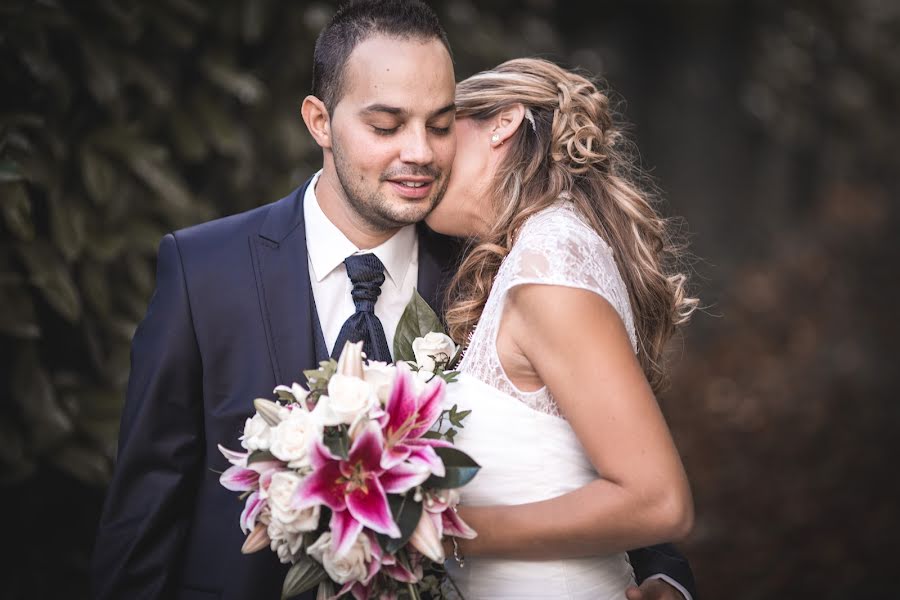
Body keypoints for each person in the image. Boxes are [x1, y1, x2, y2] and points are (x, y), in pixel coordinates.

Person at [91, 1, 696, 599]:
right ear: (319, 122)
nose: (420, 153)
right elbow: (146, 511)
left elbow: (589, 453)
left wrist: (663, 576)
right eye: (386, 126)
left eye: (438, 124)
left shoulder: (493, 269)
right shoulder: (204, 271)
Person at [425, 58, 699, 600]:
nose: (421, 152)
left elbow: (658, 500)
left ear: (502, 123)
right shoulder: (538, 252)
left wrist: (442, 532)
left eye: (438, 127)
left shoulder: (549, 266)